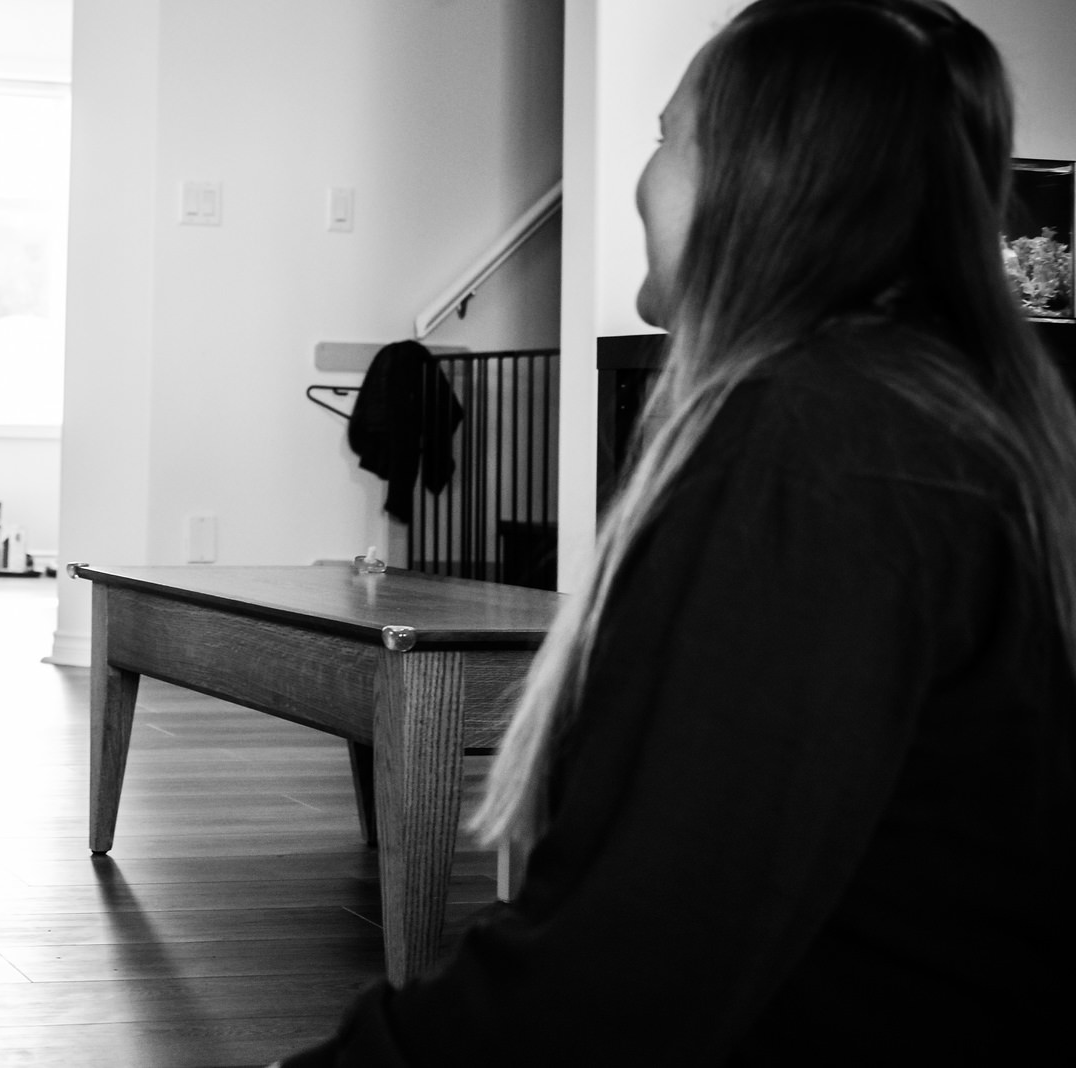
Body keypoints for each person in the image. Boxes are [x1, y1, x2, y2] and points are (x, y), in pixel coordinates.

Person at [278, 0, 1076, 1063]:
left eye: (664, 136)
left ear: (757, 175)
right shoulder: (916, 414)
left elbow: (626, 967)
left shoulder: (818, 442)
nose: (642, 174)